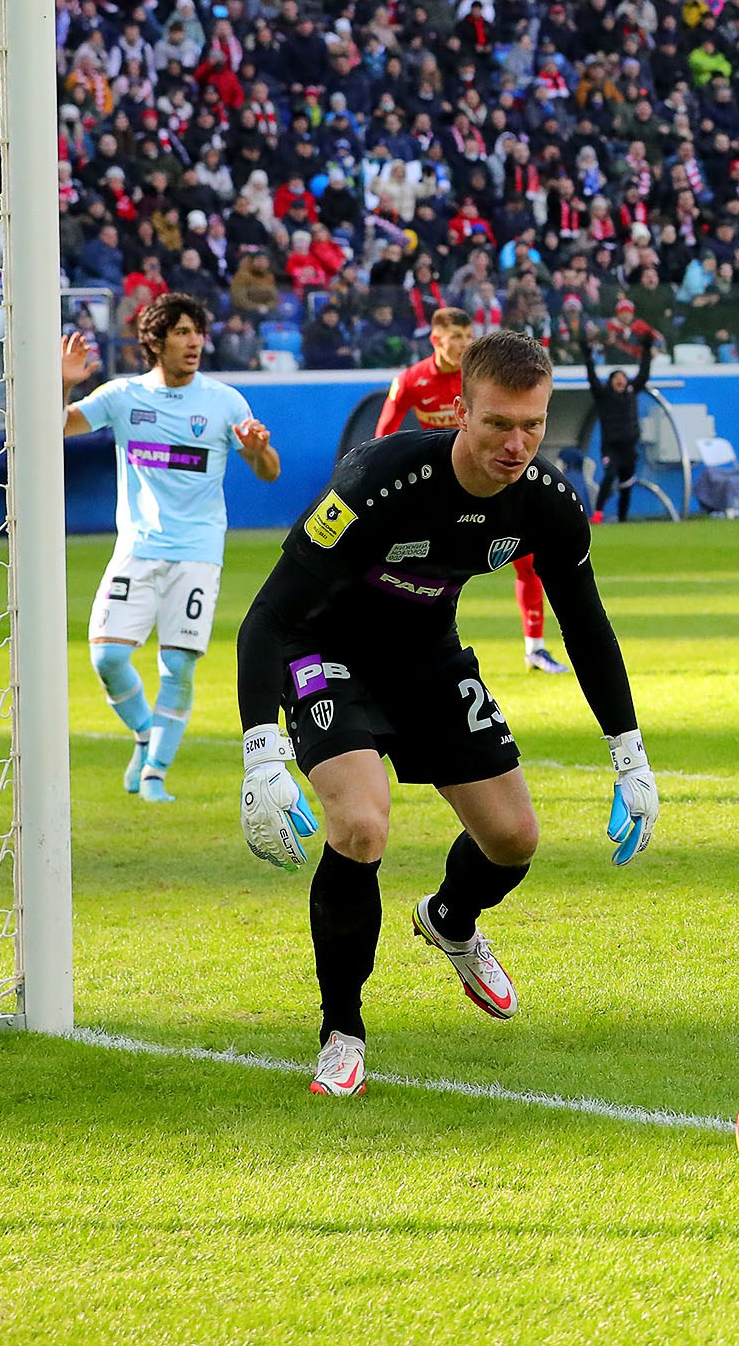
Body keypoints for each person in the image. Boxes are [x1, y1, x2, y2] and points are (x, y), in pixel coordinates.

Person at [233, 331, 657, 1097]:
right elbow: (266, 614)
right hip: (323, 648)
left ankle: (450, 919)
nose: (517, 442)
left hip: (428, 658)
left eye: (533, 423)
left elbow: (586, 624)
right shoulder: (380, 479)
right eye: (498, 422)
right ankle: (342, 1030)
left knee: (513, 838)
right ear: (459, 410)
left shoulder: (547, 501)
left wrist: (630, 754)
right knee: (361, 824)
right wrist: (261, 750)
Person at [60, 297, 280, 803]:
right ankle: (144, 734)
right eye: (182, 332)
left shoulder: (225, 402)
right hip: (137, 547)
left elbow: (268, 471)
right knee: (109, 657)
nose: (195, 341)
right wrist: (65, 382)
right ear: (155, 342)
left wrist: (258, 448)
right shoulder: (122, 396)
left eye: (198, 331)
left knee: (177, 666)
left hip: (199, 551)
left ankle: (156, 772)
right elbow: (53, 426)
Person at [375, 307, 568, 676]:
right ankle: (397, 646)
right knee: (419, 570)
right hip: (435, 492)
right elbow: (384, 438)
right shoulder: (411, 381)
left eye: (468, 337)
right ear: (436, 340)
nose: (463, 345)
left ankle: (536, 649)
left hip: (493, 482)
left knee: (528, 562)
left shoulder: (481, 379)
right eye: (455, 339)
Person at [587, 334, 655, 522]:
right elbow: (592, 380)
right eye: (616, 377)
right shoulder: (604, 396)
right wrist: (588, 358)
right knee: (609, 476)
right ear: (611, 381)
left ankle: (622, 518)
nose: (620, 380)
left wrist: (646, 350)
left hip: (629, 448)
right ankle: (598, 513)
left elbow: (644, 374)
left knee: (627, 484)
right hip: (611, 447)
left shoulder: (632, 392)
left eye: (623, 377)